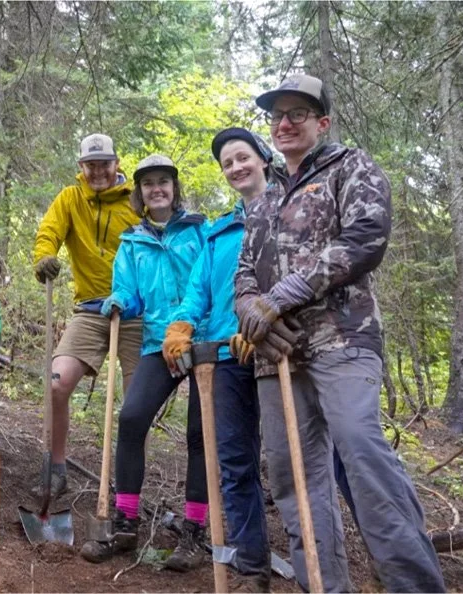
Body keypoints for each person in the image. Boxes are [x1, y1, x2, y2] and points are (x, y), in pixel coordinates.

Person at [234, 74, 445, 592]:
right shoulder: (260, 203)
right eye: (277, 116)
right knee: (292, 477)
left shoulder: (350, 167)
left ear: (321, 122)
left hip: (343, 338)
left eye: (297, 114)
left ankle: (413, 583)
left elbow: (367, 237)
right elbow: (243, 274)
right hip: (277, 358)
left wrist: (280, 297)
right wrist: (252, 316)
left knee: (360, 446)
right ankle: (324, 586)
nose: (284, 124)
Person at [162, 128, 291, 589]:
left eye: (243, 157)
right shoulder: (217, 233)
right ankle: (251, 568)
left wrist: (258, 327)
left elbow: (295, 279)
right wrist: (179, 327)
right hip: (223, 356)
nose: (236, 168)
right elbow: (196, 293)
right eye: (227, 163)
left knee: (291, 461)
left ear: (263, 159)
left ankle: (323, 560)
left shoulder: (291, 211)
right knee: (235, 465)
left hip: (278, 352)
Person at [79, 154, 208, 568]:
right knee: (132, 419)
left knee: (199, 433)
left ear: (175, 188)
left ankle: (194, 533)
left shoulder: (200, 232)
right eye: (149, 183)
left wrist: (192, 327)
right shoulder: (132, 243)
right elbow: (129, 293)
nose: (157, 189)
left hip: (203, 340)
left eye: (164, 182)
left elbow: (208, 284)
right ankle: (126, 524)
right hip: (157, 342)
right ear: (140, 191)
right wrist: (119, 301)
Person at [32, 133, 143, 496]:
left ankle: (129, 487)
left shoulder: (135, 200)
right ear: (81, 166)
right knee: (56, 383)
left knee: (137, 400)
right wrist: (44, 258)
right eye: (91, 164)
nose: (98, 171)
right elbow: (49, 232)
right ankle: (57, 469)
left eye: (104, 164)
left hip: (137, 312)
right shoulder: (71, 198)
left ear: (117, 164)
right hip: (91, 309)